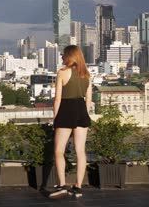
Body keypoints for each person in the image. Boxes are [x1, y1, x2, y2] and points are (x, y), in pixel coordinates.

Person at [48, 45, 92, 199]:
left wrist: (55, 117)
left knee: (59, 150)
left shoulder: (62, 73)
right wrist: (83, 113)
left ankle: (62, 185)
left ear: (69, 56)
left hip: (66, 111)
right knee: (80, 151)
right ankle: (78, 187)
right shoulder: (86, 75)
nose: (62, 57)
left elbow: (57, 99)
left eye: (63, 55)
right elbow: (89, 100)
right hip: (81, 111)